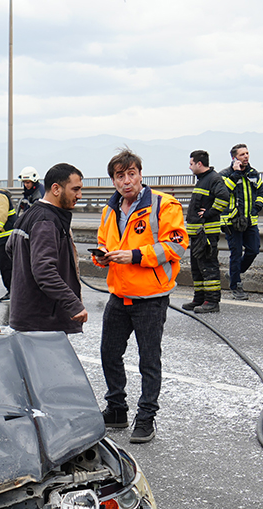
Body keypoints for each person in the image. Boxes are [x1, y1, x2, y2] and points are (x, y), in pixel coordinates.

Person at [92, 149, 188, 444]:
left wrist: (134, 255)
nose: (126, 181)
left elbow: (176, 244)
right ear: (113, 180)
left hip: (150, 297)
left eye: (131, 174)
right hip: (119, 296)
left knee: (149, 360)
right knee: (109, 354)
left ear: (140, 174)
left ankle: (146, 417)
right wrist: (102, 258)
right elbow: (103, 242)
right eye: (120, 176)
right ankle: (117, 409)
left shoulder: (163, 205)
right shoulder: (110, 210)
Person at [7, 163, 87, 333]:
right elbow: (44, 270)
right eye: (75, 189)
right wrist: (73, 304)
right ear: (56, 189)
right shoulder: (46, 221)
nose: (80, 195)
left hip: (28, 317)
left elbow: (10, 249)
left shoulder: (30, 213)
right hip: (42, 323)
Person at [182, 150, 230, 313]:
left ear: (199, 164)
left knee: (208, 267)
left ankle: (212, 301)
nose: (189, 167)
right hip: (197, 234)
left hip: (207, 234)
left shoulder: (214, 179)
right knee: (197, 268)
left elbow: (224, 198)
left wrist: (209, 213)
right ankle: (200, 298)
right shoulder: (203, 180)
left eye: (191, 164)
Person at [219, 144, 263, 299]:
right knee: (236, 253)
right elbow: (224, 193)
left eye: (247, 153)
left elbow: (260, 191)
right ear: (234, 158)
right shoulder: (225, 174)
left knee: (254, 250)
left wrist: (257, 206)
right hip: (232, 221)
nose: (246, 156)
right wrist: (236, 174)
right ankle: (236, 286)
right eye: (242, 154)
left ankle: (234, 273)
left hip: (250, 221)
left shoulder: (253, 173)